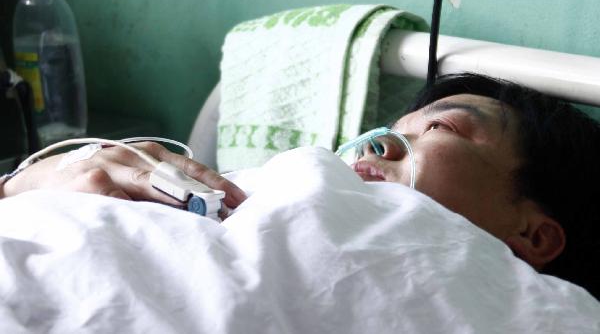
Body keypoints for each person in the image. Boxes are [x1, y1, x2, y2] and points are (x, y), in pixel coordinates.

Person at [0, 73, 598, 300]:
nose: (377, 144)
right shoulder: (257, 188)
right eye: (390, 129)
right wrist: (21, 185)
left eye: (443, 127)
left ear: (535, 234)